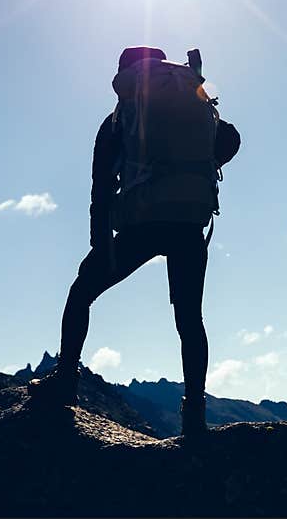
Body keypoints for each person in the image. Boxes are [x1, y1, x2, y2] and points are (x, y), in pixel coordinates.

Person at [28, 46, 240, 440]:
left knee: (82, 291)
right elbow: (230, 138)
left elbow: (101, 189)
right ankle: (194, 415)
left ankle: (65, 381)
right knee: (190, 320)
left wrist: (100, 242)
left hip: (143, 223)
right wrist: (195, 167)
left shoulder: (120, 118)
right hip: (190, 223)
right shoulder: (191, 102)